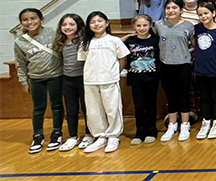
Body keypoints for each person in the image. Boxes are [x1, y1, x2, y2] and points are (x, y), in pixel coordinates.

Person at [79, 11, 130, 153]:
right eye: (93, 22)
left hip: (109, 80)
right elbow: (84, 60)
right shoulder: (85, 42)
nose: (96, 24)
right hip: (90, 81)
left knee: (112, 108)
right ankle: (100, 136)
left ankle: (113, 136)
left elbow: (123, 59)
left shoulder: (114, 41)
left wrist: (115, 73)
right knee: (94, 110)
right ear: (89, 26)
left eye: (100, 21)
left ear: (107, 23)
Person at [15, 8, 64, 154]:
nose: (30, 22)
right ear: (21, 23)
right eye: (25, 20)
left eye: (33, 18)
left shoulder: (53, 33)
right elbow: (21, 63)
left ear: (41, 19)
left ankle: (57, 133)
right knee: (38, 108)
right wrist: (24, 81)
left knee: (56, 105)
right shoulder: (20, 41)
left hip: (56, 75)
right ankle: (37, 135)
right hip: (35, 78)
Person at [154, 0, 195, 142]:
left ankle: (185, 124)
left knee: (183, 95)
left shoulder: (189, 26)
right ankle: (172, 125)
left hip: (183, 64)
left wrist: (185, 51)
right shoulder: (159, 25)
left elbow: (194, 45)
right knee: (170, 96)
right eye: (168, 8)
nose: (171, 11)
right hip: (165, 65)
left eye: (174, 8)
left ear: (181, 10)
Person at [54, 14, 93, 151]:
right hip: (67, 80)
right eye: (64, 25)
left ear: (78, 26)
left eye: (71, 24)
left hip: (83, 79)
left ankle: (89, 134)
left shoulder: (84, 41)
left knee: (86, 107)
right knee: (71, 109)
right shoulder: (60, 42)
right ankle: (73, 136)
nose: (68, 27)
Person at [192, 3, 216, 140]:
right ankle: (206, 121)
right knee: (204, 96)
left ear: (213, 13)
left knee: (215, 96)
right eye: (200, 14)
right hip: (200, 69)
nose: (203, 16)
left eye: (206, 13)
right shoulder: (197, 29)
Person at [123, 14, 160, 145]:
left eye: (145, 25)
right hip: (135, 78)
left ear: (150, 25)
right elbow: (116, 45)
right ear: (134, 27)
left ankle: (151, 131)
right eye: (138, 25)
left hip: (152, 77)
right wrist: (126, 36)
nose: (142, 28)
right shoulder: (130, 41)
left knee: (150, 105)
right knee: (139, 106)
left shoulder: (156, 40)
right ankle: (140, 132)